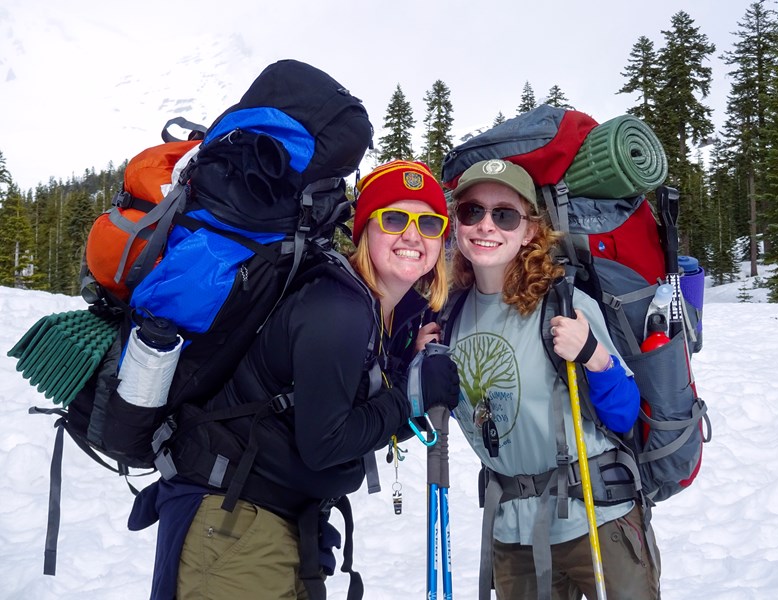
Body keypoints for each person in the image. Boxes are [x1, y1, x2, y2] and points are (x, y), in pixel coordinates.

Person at [128, 159, 460, 600]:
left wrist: (405, 384)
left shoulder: (365, 307)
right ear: (363, 230)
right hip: (233, 528)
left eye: (430, 223)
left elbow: (343, 415)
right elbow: (326, 444)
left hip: (261, 521)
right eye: (394, 218)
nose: (413, 235)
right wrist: (412, 398)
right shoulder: (338, 309)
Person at [423, 159, 660, 599]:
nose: (486, 225)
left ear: (531, 230)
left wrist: (594, 355)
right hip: (514, 535)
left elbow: (624, 413)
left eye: (505, 215)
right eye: (472, 211)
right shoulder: (448, 317)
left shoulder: (563, 304)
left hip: (595, 517)